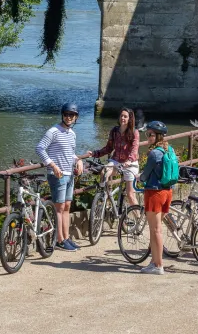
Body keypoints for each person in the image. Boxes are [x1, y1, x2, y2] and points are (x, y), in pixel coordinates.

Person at [35, 102, 84, 252]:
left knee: (67, 207)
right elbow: (40, 148)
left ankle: (66, 237)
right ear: (62, 115)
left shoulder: (72, 134)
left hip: (69, 174)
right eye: (67, 114)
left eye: (72, 115)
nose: (69, 117)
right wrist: (52, 165)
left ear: (76, 117)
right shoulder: (53, 131)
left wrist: (79, 160)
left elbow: (70, 154)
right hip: (57, 175)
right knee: (59, 207)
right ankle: (59, 239)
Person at [85, 107, 140, 209]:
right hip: (116, 161)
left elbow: (134, 149)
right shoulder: (114, 131)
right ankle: (104, 197)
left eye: (125, 116)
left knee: (130, 195)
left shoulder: (134, 132)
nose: (122, 118)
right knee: (104, 171)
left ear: (130, 119)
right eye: (121, 116)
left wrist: (129, 160)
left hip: (130, 164)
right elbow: (108, 148)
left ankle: (138, 219)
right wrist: (94, 153)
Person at [138, 121, 172, 275]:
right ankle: (154, 261)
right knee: (156, 229)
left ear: (158, 136)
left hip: (154, 193)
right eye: (147, 134)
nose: (148, 137)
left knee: (155, 230)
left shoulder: (154, 153)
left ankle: (158, 265)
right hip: (167, 192)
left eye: (150, 134)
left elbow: (145, 175)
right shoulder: (169, 150)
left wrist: (139, 177)